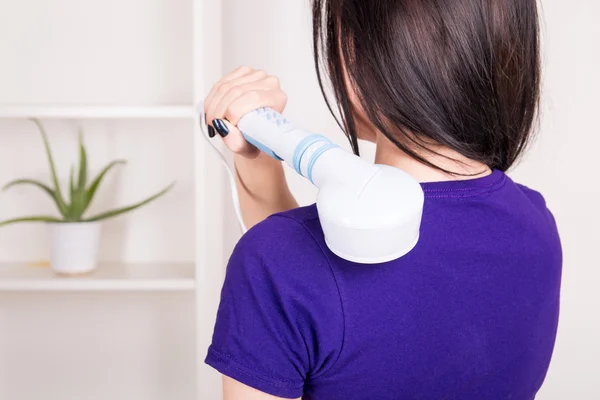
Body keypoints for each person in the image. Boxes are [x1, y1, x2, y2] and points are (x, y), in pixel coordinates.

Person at [202, 0, 562, 399]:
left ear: (356, 55)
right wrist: (259, 159)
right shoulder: (537, 223)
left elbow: (301, 279)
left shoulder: (277, 262)